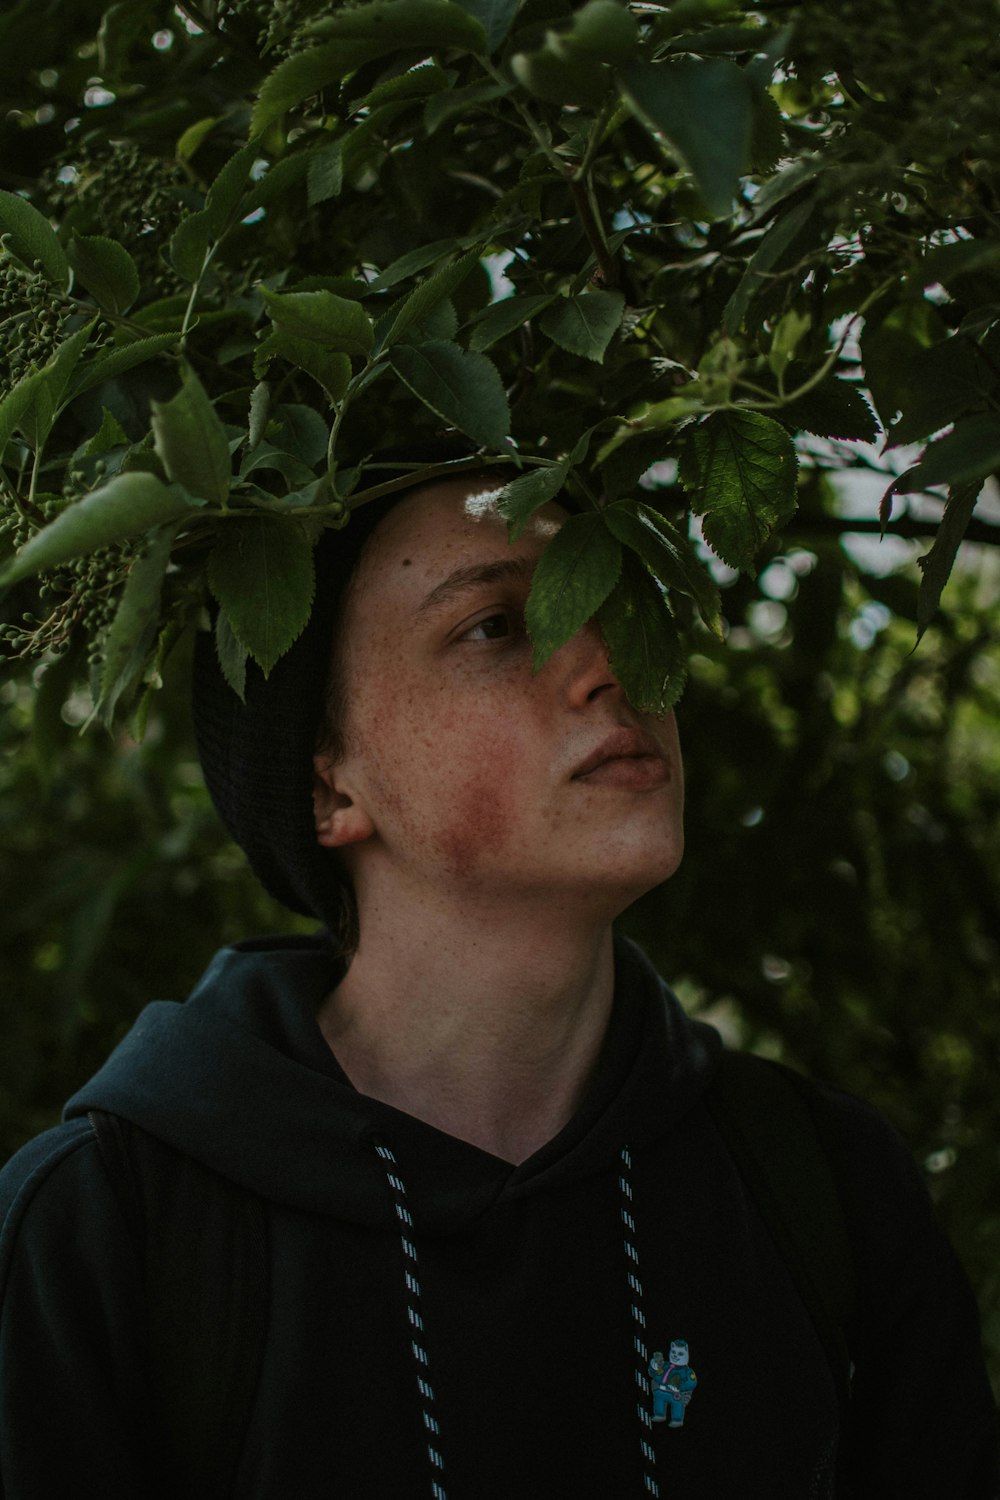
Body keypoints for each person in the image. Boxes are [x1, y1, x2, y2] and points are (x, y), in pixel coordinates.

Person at [0, 473, 997, 1499]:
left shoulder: (820, 1182)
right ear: (326, 785)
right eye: (494, 625)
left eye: (620, 602)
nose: (610, 664)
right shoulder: (105, 1231)